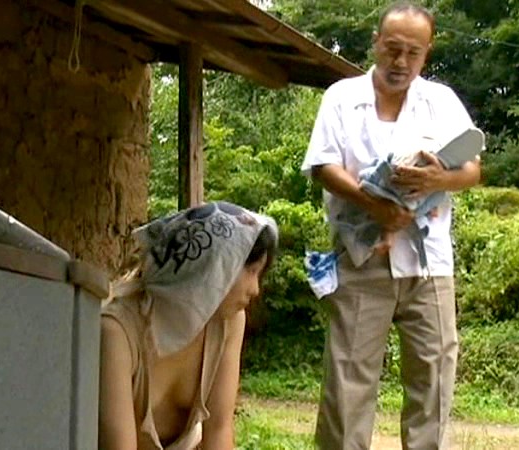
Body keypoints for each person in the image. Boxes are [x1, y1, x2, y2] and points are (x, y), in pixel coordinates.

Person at [301, 2, 483, 449]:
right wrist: (373, 203)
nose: (400, 62)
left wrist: (439, 178)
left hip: (429, 265)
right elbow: (322, 165)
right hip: (362, 259)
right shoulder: (342, 97)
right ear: (376, 43)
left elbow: (474, 169)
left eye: (412, 53)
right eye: (393, 49)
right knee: (349, 381)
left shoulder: (440, 101)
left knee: (433, 377)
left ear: (426, 54)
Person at [98, 201, 278, 450]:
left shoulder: (228, 322)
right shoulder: (116, 331)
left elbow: (219, 430)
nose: (255, 289)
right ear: (215, 267)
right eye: (251, 272)